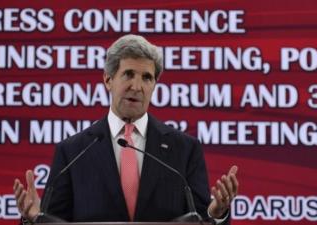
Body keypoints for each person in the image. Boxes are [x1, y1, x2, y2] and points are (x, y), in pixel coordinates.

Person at [13, 34, 239, 224]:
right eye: (129, 74)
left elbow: (200, 219)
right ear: (108, 79)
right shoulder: (73, 151)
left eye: (147, 78)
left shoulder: (184, 149)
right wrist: (34, 218)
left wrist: (216, 213)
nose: (137, 86)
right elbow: (53, 220)